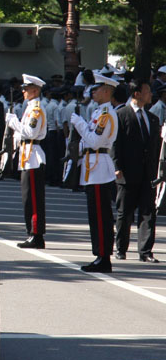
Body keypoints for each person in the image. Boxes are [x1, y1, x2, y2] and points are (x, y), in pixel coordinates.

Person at [70, 74, 120, 273]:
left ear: (107, 91)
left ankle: (103, 257)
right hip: (93, 165)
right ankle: (100, 254)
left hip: (99, 167)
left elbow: (95, 141)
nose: (93, 92)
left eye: (97, 89)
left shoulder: (106, 114)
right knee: (95, 214)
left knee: (101, 215)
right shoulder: (99, 112)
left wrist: (79, 124)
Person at [112, 79, 160, 263]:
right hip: (127, 172)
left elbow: (154, 148)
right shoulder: (121, 115)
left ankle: (145, 251)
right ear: (137, 94)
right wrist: (117, 167)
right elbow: (115, 144)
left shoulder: (152, 118)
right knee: (125, 212)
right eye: (147, 91)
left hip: (147, 173)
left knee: (148, 212)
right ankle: (121, 248)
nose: (150, 94)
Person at [6, 75, 48, 248]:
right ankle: (32, 233)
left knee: (33, 199)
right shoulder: (29, 108)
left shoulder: (36, 109)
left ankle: (36, 234)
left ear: (35, 90)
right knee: (27, 199)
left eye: (26, 88)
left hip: (33, 157)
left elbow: (30, 133)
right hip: (27, 155)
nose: (23, 91)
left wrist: (13, 122)